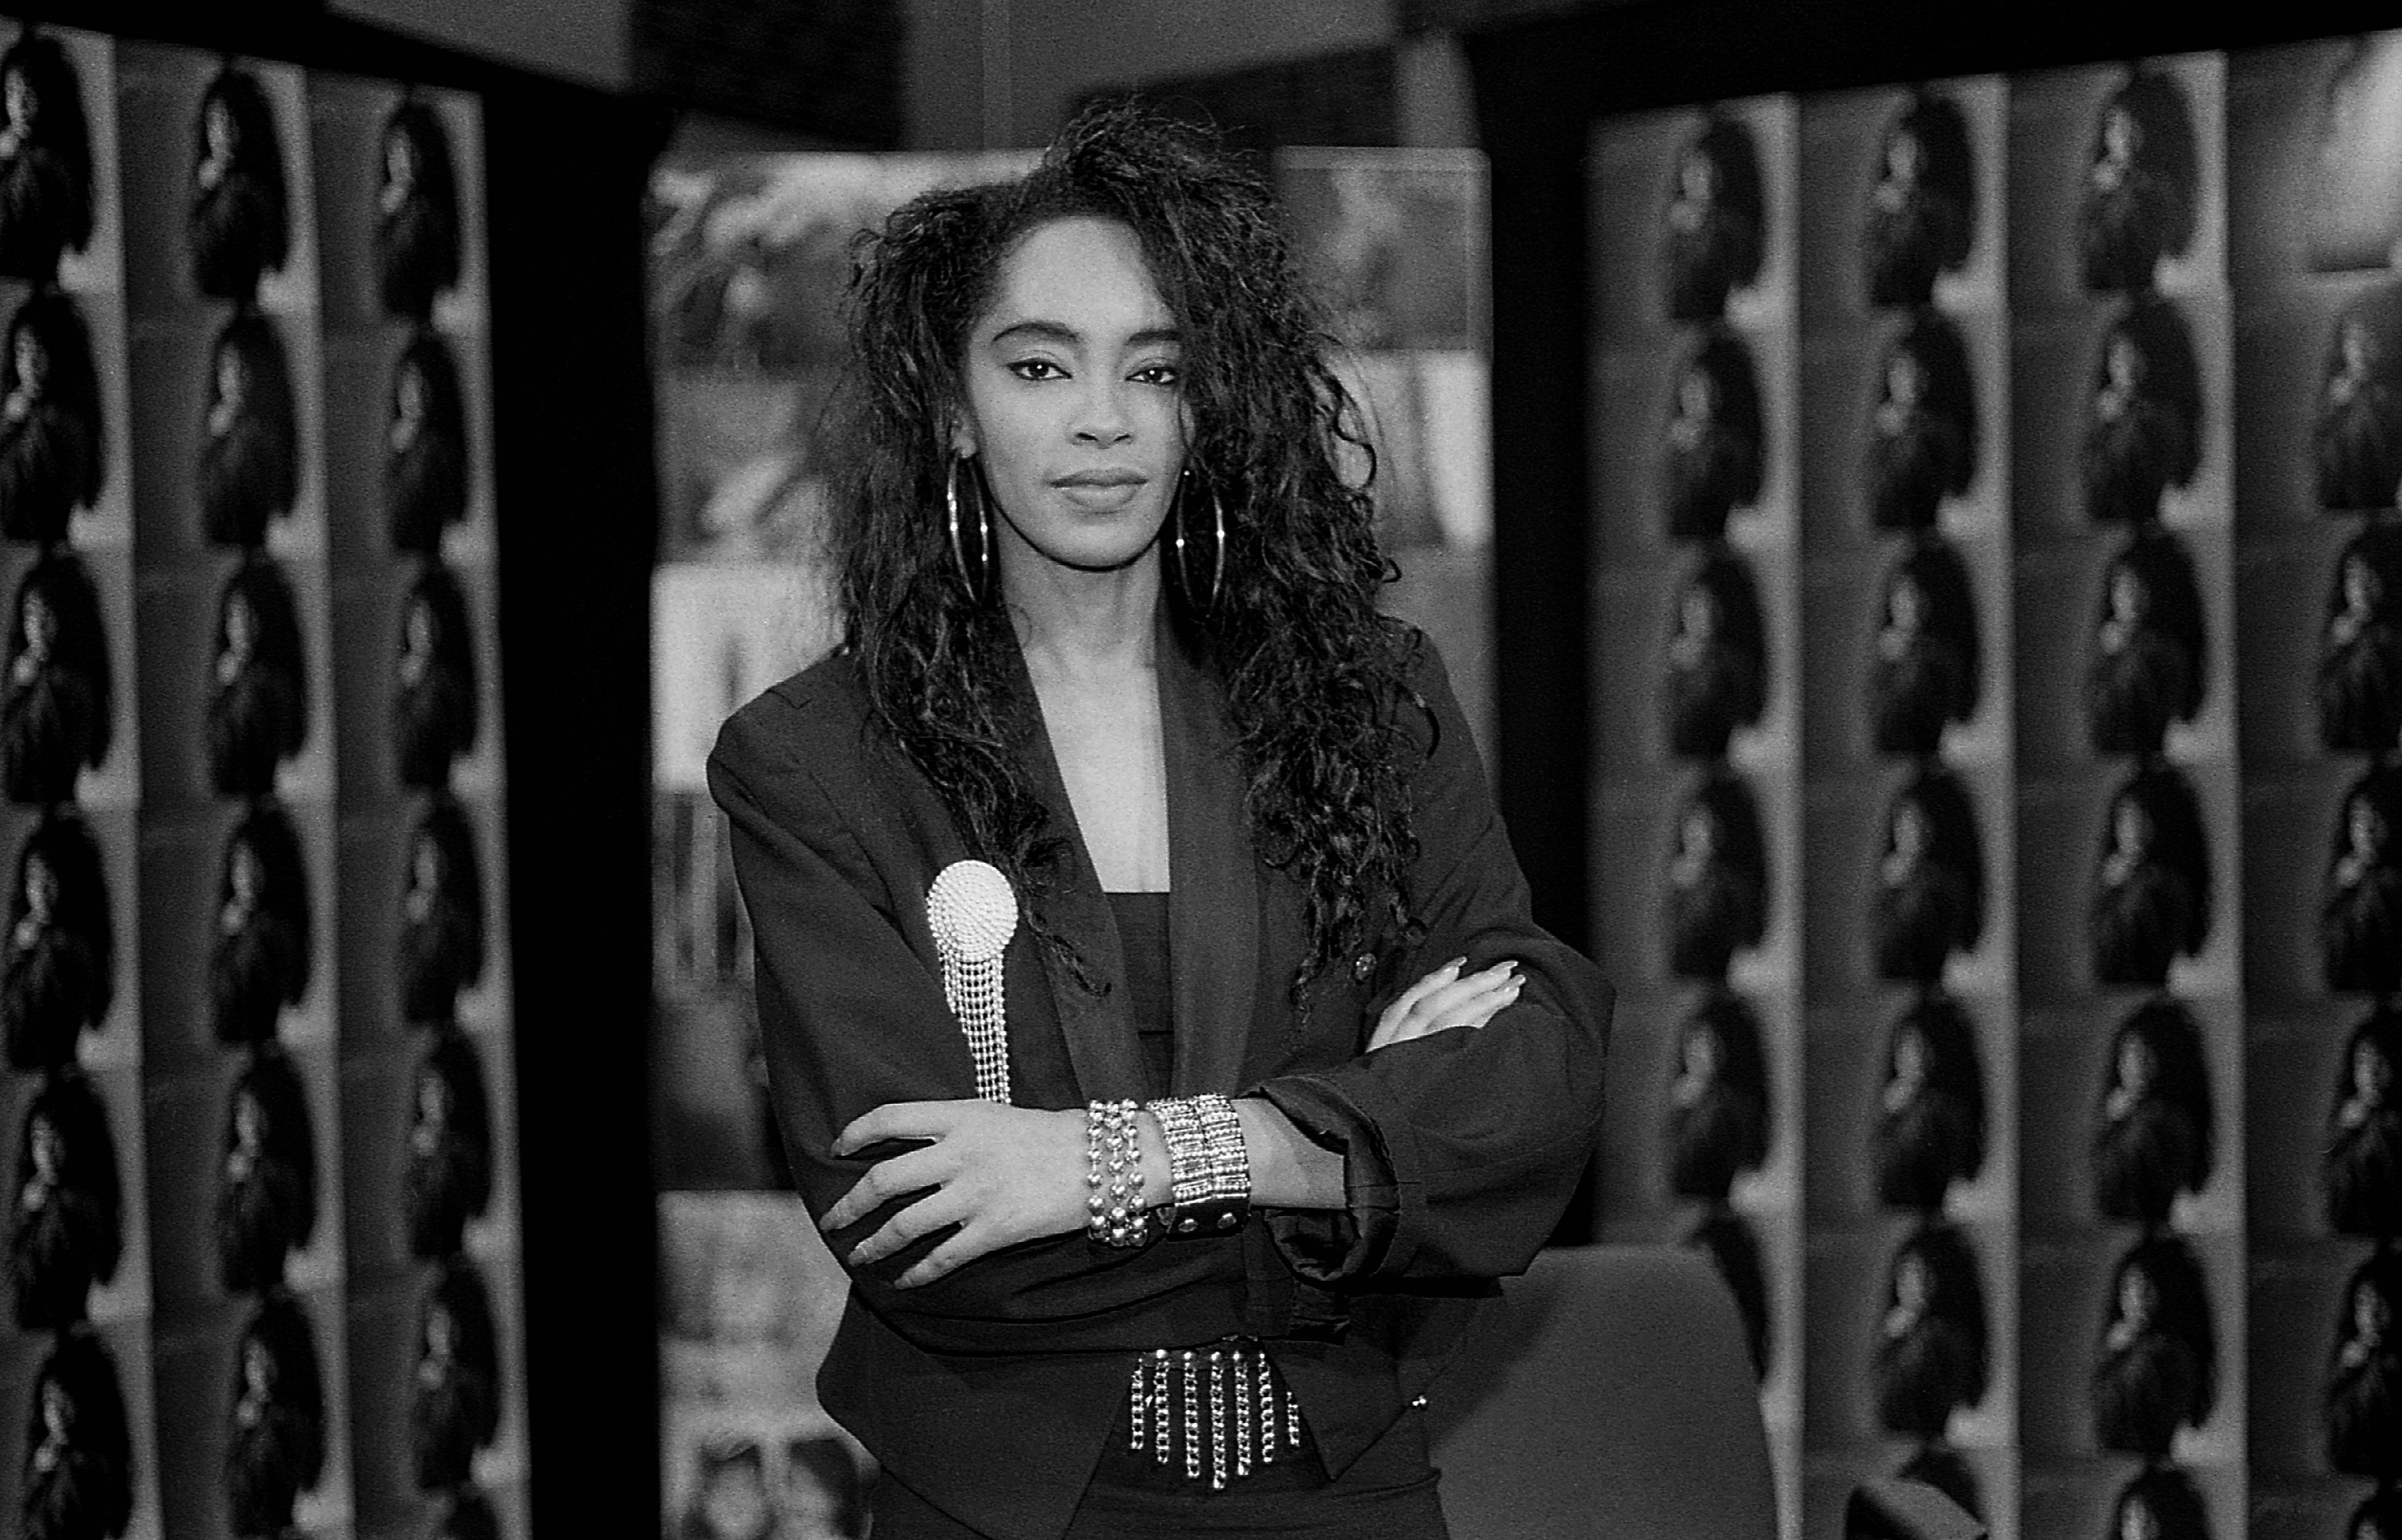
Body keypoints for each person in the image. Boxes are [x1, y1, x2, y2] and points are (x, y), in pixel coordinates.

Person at [707, 106, 1613, 1539]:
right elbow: (930, 1235)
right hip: (1005, 1503)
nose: (1101, 421)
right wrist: (1358, 1152)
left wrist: (1107, 1160)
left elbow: (1538, 1088)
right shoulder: (816, 761)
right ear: (952, 402)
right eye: (1037, 366)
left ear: (1209, 406)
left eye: (1154, 370)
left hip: (1348, 1488)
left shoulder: (1371, 701)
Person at [0, 31, 94, 284]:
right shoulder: (57, 160)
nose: (19, 104)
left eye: (30, 90)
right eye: (11, 92)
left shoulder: (43, 164)